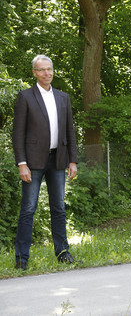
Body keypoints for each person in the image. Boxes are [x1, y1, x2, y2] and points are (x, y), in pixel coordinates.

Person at [12, 55, 79, 270]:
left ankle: (63, 253)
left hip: (58, 159)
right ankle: (22, 258)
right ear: (34, 73)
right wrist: (22, 163)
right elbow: (18, 133)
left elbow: (70, 131)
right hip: (32, 162)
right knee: (28, 209)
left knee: (58, 208)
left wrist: (73, 160)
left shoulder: (63, 97)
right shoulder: (26, 97)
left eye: (49, 69)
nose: (46, 73)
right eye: (41, 70)